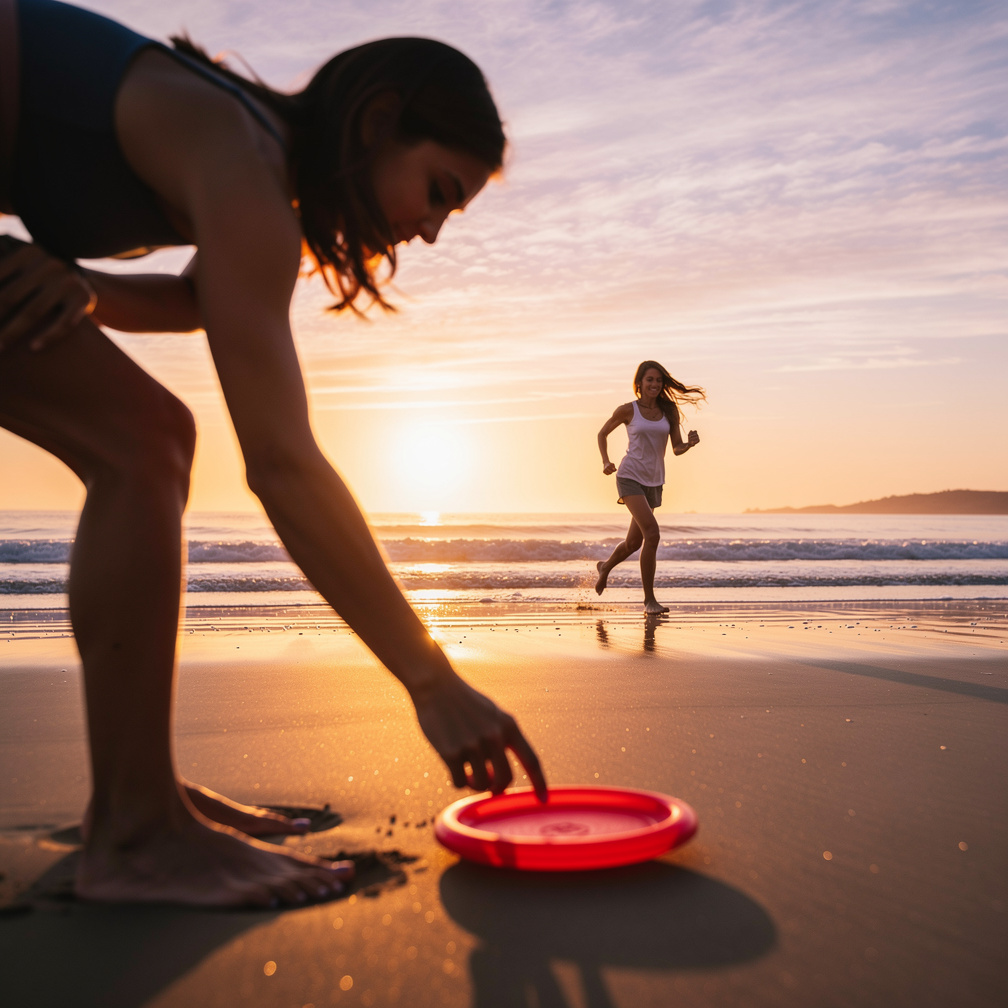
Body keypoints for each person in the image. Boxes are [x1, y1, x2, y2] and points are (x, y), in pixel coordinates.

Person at [0, 0, 546, 909]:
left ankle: (141, 796)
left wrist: (86, 286)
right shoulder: (242, 157)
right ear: (377, 122)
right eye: (440, 191)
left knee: (152, 438)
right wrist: (430, 678)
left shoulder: (247, 156)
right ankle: (135, 831)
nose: (431, 232)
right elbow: (282, 464)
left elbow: (203, 297)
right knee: (144, 443)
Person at [595, 360, 704, 614]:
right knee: (652, 534)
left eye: (658, 380)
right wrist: (605, 461)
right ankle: (649, 601)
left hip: (654, 481)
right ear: (639, 383)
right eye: (650, 380)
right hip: (629, 476)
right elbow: (601, 434)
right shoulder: (627, 410)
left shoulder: (669, 411)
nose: (655, 384)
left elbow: (676, 448)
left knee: (633, 543)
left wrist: (688, 445)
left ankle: (605, 567)